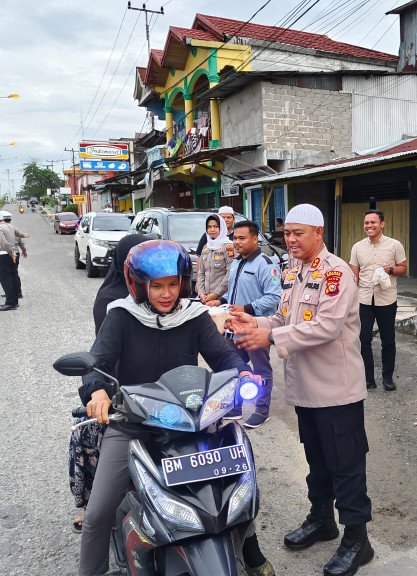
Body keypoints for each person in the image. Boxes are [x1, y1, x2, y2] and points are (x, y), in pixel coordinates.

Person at [77, 239, 274, 576]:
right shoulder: (122, 316)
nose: (166, 293)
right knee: (97, 512)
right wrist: (97, 392)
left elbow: (222, 355)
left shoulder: (193, 316)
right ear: (140, 286)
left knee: (234, 483)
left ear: (184, 282)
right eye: (156, 286)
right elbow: (98, 363)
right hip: (133, 424)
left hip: (191, 421)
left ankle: (248, 546)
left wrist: (242, 372)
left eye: (172, 284)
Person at [228, 204, 373, 576]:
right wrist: (254, 322)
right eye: (287, 233)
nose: (290, 240)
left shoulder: (336, 273)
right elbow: (282, 318)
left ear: (318, 233)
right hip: (306, 389)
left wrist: (270, 338)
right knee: (317, 461)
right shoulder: (293, 270)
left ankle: (357, 539)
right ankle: (322, 519)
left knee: (346, 466)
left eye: (298, 233)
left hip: (336, 391)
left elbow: (326, 326)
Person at [68, 234, 153, 535]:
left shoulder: (165, 295)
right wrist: (100, 391)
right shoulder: (113, 302)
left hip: (166, 389)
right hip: (119, 384)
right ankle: (92, 505)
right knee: (88, 432)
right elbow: (102, 357)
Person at [212, 220, 282, 428]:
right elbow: (233, 293)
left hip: (255, 328)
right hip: (233, 327)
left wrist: (246, 309)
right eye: (234, 238)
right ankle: (235, 407)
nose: (237, 242)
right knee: (233, 367)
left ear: (254, 238)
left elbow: (274, 297)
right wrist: (220, 301)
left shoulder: (266, 264)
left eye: (242, 238)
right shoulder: (236, 262)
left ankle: (261, 410)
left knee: (260, 370)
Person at [349, 210, 407, 391]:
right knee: (363, 340)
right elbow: (354, 276)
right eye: (366, 223)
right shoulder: (357, 247)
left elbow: (403, 268)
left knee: (388, 340)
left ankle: (387, 378)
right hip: (364, 300)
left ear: (382, 224)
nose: (369, 226)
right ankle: (368, 379)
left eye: (373, 222)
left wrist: (391, 270)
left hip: (386, 300)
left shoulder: (394, 245)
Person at [196, 213, 234, 302]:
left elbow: (230, 274)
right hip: (205, 297)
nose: (212, 230)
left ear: (222, 228)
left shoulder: (229, 247)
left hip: (222, 298)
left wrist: (215, 294)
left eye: (216, 227)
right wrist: (201, 292)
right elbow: (201, 272)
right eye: (209, 227)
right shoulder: (206, 247)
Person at [0, 211, 20, 311]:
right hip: (12, 253)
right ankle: (14, 301)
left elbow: (4, 242)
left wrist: (11, 253)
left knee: (6, 279)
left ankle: (10, 303)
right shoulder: (10, 226)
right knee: (12, 277)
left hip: (4, 255)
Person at [2, 211, 28, 298]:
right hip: (15, 253)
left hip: (5, 254)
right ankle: (18, 292)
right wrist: (24, 250)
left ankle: (10, 293)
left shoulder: (1, 229)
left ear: (2, 220)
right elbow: (20, 242)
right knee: (14, 273)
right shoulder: (14, 229)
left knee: (6, 275)